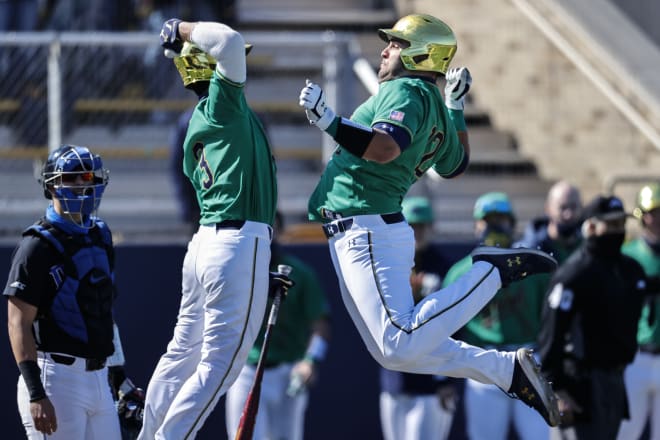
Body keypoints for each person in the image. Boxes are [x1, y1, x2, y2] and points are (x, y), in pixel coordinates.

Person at [298, 13, 560, 427]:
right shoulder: (431, 101)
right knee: (395, 352)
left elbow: (384, 148)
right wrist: (455, 107)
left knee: (398, 346)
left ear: (419, 54)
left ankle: (490, 271)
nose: (385, 49)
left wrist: (329, 120)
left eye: (397, 44)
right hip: (366, 226)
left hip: (366, 226)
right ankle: (504, 370)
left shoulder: (408, 91)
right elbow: (455, 164)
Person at [138, 19, 284, 439]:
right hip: (238, 242)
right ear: (209, 68)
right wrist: (181, 29)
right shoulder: (222, 106)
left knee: (182, 352)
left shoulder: (198, 125)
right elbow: (230, 42)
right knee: (222, 364)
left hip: (205, 243)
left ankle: (148, 435)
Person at [3, 145, 140, 439]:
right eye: (72, 177)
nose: (82, 184)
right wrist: (36, 393)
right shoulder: (36, 244)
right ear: (52, 185)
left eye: (87, 176)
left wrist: (119, 379)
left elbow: (104, 312)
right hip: (56, 378)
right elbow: (18, 322)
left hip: (100, 379)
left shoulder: (100, 234)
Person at [537, 194, 649, 439]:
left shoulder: (629, 270)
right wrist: (556, 388)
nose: (617, 231)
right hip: (579, 384)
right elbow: (551, 335)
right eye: (610, 224)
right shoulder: (574, 274)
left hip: (615, 380)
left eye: (620, 224)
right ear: (590, 227)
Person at [443, 192, 549, 440]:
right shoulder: (460, 273)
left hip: (529, 360)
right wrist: (444, 380)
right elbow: (446, 332)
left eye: (501, 220)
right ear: (475, 226)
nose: (494, 226)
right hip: (483, 364)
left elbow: (552, 323)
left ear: (513, 225)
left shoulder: (533, 268)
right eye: (488, 220)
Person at [225, 212, 331, 440]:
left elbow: (320, 324)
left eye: (272, 229)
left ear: (280, 232)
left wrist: (310, 361)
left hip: (288, 372)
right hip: (246, 371)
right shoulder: (237, 271)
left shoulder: (301, 274)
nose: (267, 236)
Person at [378, 196, 459, 440]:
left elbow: (453, 326)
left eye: (422, 226)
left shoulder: (445, 268)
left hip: (430, 381)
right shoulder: (389, 265)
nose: (417, 232)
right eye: (412, 226)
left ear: (431, 227)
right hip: (395, 379)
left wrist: (447, 378)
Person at [617, 183, 660, 440]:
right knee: (626, 432)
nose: (657, 219)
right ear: (642, 215)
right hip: (636, 357)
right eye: (652, 212)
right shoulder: (627, 254)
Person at [517, 180, 583, 262]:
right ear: (548, 209)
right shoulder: (526, 254)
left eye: (573, 207)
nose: (568, 214)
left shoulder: (588, 249)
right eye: (563, 207)